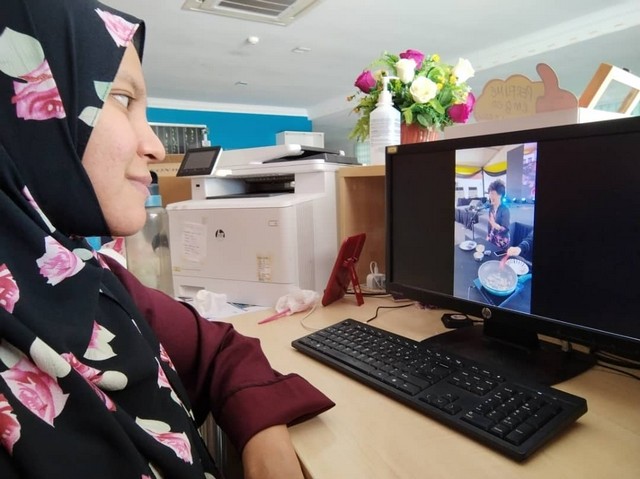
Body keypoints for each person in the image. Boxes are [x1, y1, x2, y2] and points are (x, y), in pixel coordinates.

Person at [0, 1, 333, 477]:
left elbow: (222, 348)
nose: (156, 146)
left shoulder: (91, 279)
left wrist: (265, 441)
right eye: (121, 99)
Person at [486, 180, 510, 249]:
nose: (490, 196)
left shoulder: (505, 210)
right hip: (492, 238)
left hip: (502, 241)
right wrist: (488, 235)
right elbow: (489, 224)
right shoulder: (491, 207)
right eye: (490, 193)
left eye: (493, 193)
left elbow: (505, 230)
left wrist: (495, 225)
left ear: (500, 195)